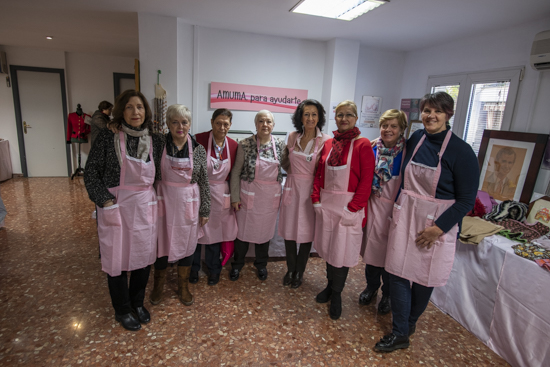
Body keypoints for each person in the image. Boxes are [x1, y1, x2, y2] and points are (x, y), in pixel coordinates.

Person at [374, 92, 478, 352]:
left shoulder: (462, 152)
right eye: (427, 111)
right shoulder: (417, 139)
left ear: (449, 114)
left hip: (437, 222)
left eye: (438, 111)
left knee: (424, 277)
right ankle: (400, 332)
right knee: (396, 272)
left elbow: (466, 201)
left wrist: (437, 229)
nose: (431, 116)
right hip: (406, 213)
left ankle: (409, 322)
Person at [84, 90, 164, 331]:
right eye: (129, 107)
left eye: (140, 107)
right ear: (121, 111)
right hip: (116, 205)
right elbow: (90, 174)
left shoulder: (156, 140)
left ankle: (137, 303)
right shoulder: (108, 138)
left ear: (146, 111)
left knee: (143, 257)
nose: (135, 112)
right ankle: (122, 309)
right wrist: (105, 201)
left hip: (144, 206)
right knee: (115, 259)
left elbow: (159, 174)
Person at [312, 100, 375, 320]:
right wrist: (316, 199)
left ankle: (337, 294)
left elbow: (366, 181)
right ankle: (330, 286)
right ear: (335, 118)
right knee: (330, 250)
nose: (344, 119)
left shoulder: (363, 144)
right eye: (340, 115)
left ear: (356, 118)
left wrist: (354, 207)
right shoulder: (329, 144)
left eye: (349, 115)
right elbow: (319, 175)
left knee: (342, 251)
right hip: (327, 207)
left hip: (349, 208)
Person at [149, 105, 210, 307]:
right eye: (175, 121)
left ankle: (183, 285)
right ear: (168, 124)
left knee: (187, 244)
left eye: (184, 122)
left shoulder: (198, 149)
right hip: (163, 201)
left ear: (189, 124)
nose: (180, 126)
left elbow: (203, 181)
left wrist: (205, 209)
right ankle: (158, 284)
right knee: (161, 244)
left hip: (188, 203)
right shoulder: (158, 144)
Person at [359, 109, 407, 315]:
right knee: (372, 251)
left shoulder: (408, 153)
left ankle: (387, 294)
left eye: (393, 126)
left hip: (396, 209)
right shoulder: (372, 148)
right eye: (385, 125)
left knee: (391, 254)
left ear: (402, 129)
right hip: (374, 204)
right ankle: (371, 287)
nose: (388, 130)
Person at [279, 100, 330, 288]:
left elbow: (325, 169)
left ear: (319, 117)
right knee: (289, 232)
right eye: (306, 114)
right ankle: (290, 269)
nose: (310, 118)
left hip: (310, 192)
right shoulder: (292, 137)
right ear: (300, 117)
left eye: (314, 114)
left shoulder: (325, 140)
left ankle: (300, 272)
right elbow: (285, 162)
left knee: (306, 233)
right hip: (292, 188)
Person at [229, 110, 285, 281]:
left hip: (269, 199)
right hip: (248, 196)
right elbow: (236, 172)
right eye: (261, 121)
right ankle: (237, 265)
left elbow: (290, 167)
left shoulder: (281, 145)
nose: (265, 125)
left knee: (264, 236)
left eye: (268, 121)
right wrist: (235, 197)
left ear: (273, 125)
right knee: (242, 236)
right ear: (256, 124)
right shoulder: (245, 144)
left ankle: (261, 265)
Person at [193, 109, 239, 285]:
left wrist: (234, 196)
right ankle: (193, 268)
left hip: (221, 193)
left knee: (215, 234)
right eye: (218, 122)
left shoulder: (233, 146)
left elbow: (235, 174)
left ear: (230, 125)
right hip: (200, 191)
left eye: (226, 124)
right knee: (197, 232)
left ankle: (214, 269)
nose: (222, 127)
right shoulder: (198, 140)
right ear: (212, 122)